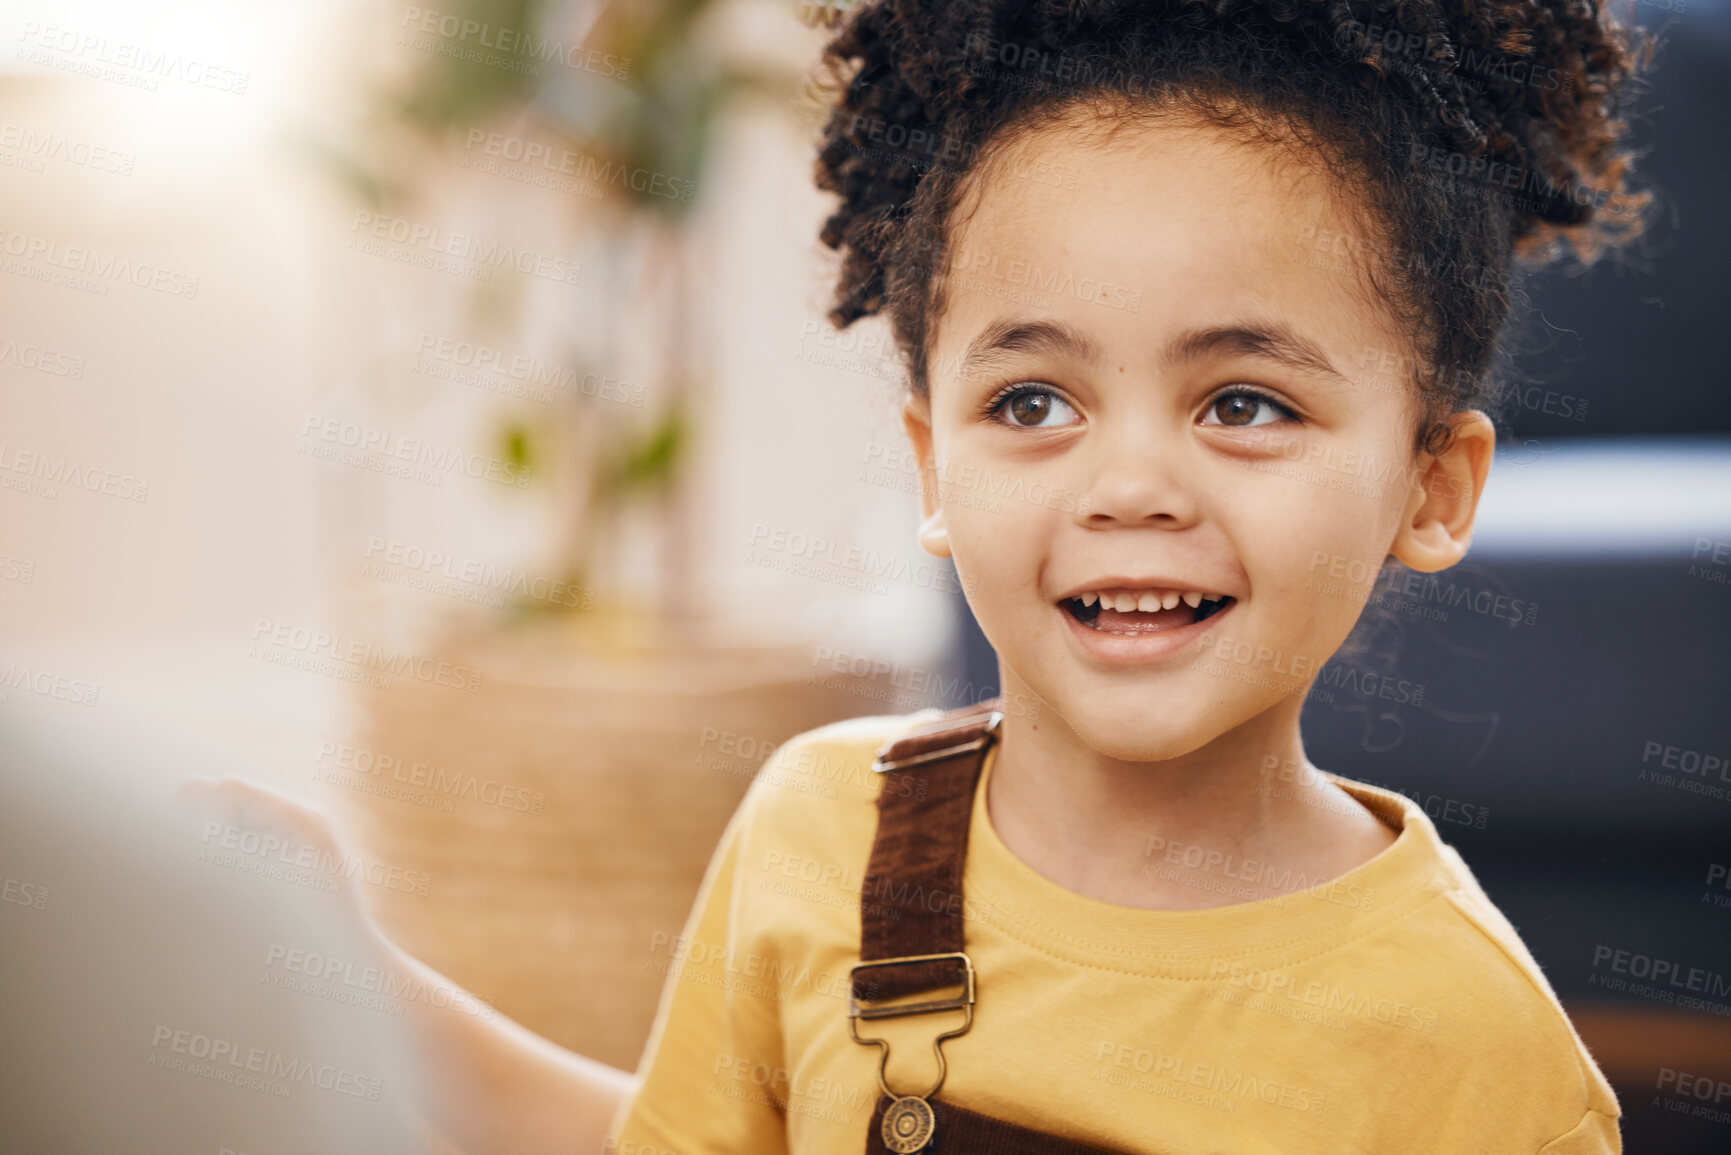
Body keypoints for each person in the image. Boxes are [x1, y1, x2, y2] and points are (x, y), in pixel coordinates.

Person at [188, 0, 1652, 1149]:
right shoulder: (824, 830)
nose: (1130, 486)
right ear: (933, 467)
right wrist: (342, 955)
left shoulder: (1475, 1052)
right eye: (1033, 404)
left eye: (1244, 404)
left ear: (1432, 483)